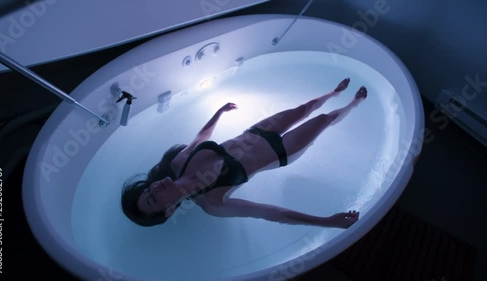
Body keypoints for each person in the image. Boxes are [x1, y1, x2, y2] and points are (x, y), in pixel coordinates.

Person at [122, 78, 367, 228]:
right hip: (281, 152)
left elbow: (200, 138)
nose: (153, 189)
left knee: (303, 109)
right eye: (153, 199)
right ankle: (353, 105)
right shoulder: (213, 203)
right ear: (170, 211)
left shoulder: (179, 162)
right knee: (323, 119)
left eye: (147, 190)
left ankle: (333, 93)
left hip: (256, 132)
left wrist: (218, 113)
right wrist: (326, 222)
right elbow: (272, 213)